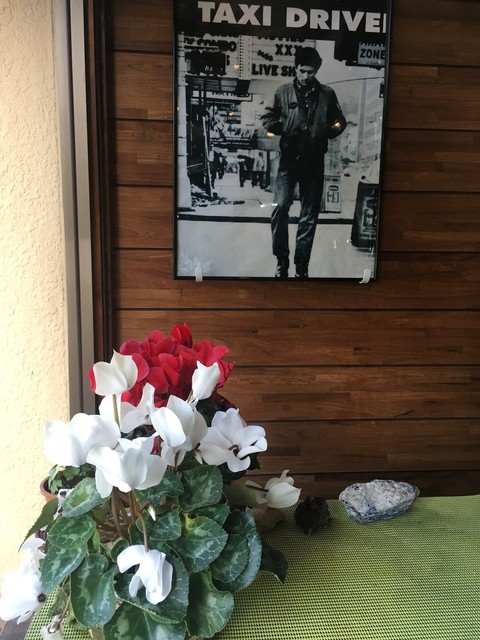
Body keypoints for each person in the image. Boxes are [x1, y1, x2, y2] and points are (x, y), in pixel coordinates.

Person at [261, 46, 346, 279]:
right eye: (302, 71)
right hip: (288, 161)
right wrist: (281, 128)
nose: (305, 76)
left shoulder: (327, 94)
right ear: (295, 68)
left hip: (314, 162)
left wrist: (327, 132)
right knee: (281, 208)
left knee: (309, 216)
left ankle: (301, 265)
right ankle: (282, 260)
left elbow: (340, 121)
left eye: (310, 72)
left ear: (316, 71)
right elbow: (267, 117)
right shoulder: (283, 92)